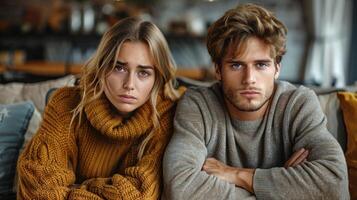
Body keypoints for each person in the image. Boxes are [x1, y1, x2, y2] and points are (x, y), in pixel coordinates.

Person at [162, 3, 349, 199]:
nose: (249, 78)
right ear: (217, 70)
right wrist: (282, 188)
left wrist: (237, 175)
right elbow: (180, 188)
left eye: (261, 65)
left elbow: (334, 184)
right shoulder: (198, 105)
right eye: (236, 65)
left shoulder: (298, 104)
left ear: (277, 68)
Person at [17, 17, 184, 199]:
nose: (129, 84)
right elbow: (37, 187)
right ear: (102, 67)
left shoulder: (168, 114)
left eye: (143, 73)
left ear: (157, 78)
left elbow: (139, 195)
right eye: (118, 68)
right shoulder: (67, 103)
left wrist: (78, 188)